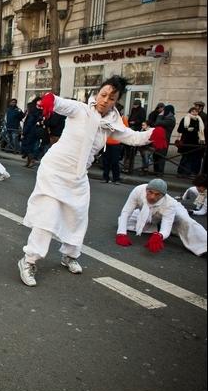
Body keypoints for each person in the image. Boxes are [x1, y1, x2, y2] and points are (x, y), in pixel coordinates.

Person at [17, 76, 166, 287]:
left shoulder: (111, 123)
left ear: (116, 101)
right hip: (54, 170)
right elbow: (61, 103)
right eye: (103, 95)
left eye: (111, 97)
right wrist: (50, 100)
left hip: (78, 177)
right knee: (47, 216)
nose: (105, 100)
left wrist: (153, 133)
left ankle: (69, 255)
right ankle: (29, 260)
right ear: (97, 94)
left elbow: (132, 137)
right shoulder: (80, 109)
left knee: (77, 217)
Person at [116, 179, 207, 257]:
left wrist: (160, 236)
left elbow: (166, 228)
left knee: (186, 222)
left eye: (157, 194)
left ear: (163, 195)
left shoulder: (170, 204)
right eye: (150, 192)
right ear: (146, 190)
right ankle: (158, 227)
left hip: (175, 212)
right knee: (123, 221)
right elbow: (126, 212)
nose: (152, 197)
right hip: (148, 213)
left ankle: (204, 246)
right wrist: (121, 234)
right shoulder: (138, 190)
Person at [101, 103, 128, 184]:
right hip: (106, 142)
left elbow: (125, 129)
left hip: (116, 143)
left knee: (114, 162)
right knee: (106, 161)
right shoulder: (106, 117)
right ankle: (106, 178)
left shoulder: (122, 118)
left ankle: (116, 178)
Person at [177, 106, 205, 177]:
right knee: (185, 158)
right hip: (186, 141)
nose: (195, 113)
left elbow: (201, 130)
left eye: (196, 111)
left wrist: (194, 130)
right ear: (190, 112)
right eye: (193, 111)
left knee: (191, 158)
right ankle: (180, 172)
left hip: (195, 142)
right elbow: (179, 130)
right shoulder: (185, 118)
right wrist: (187, 129)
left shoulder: (199, 120)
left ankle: (187, 173)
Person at [152, 104, 176, 176]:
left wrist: (160, 115)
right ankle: (156, 171)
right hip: (159, 139)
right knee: (155, 155)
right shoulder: (166, 117)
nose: (163, 111)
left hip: (164, 139)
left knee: (161, 156)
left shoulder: (170, 119)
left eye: (165, 110)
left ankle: (160, 172)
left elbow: (157, 123)